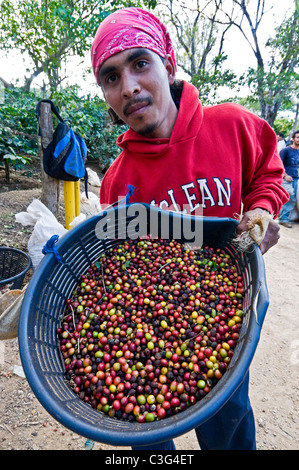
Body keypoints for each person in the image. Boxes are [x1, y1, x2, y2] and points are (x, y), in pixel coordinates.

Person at [90, 7, 289, 450]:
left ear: (168, 63)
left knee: (229, 417)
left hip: (230, 314)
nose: (130, 87)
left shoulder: (231, 125)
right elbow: (121, 263)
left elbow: (268, 173)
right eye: (111, 77)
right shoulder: (117, 182)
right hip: (153, 322)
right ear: (104, 91)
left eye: (140, 63)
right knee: (143, 429)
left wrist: (259, 209)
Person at [279, 130, 299, 228]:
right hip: (286, 179)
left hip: (296, 179)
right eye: (297, 137)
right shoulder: (285, 150)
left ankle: (284, 217)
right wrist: (285, 175)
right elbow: (279, 164)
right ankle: (283, 219)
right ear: (293, 139)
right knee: (287, 198)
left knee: (293, 200)